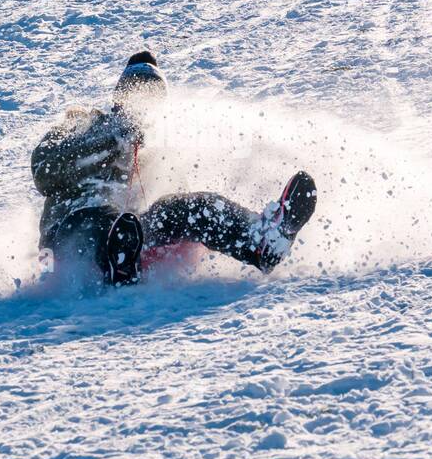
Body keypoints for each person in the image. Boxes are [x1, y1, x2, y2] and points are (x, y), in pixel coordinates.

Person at [31, 51, 317, 286]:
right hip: (71, 230)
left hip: (130, 234)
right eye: (136, 94)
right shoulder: (83, 126)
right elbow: (44, 170)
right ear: (120, 97)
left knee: (192, 207)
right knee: (97, 216)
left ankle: (262, 241)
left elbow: (174, 206)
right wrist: (109, 138)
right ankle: (115, 263)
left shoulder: (156, 153)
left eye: (153, 98)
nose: (143, 106)